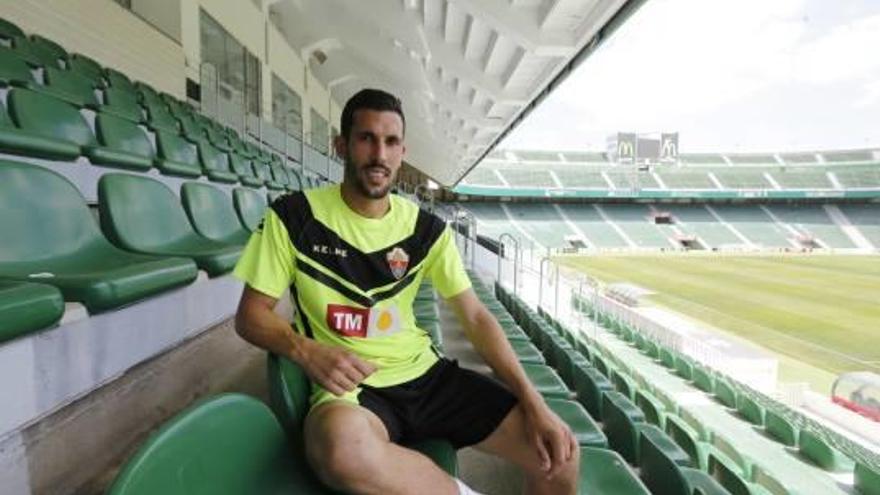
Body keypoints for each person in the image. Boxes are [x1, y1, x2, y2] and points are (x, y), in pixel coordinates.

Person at [233, 88, 579, 495]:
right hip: (353, 388)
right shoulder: (294, 217)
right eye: (366, 138)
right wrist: (307, 351)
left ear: (402, 151)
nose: (380, 154)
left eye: (391, 142)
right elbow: (250, 315)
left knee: (560, 455)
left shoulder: (426, 229)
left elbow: (476, 317)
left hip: (426, 378)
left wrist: (534, 403)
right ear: (342, 145)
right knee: (342, 451)